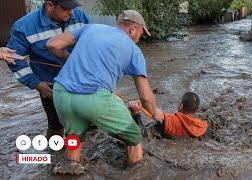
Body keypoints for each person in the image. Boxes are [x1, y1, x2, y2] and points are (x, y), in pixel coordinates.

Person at [47, 10, 163, 173]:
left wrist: (69, 60)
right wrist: (154, 112)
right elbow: (145, 97)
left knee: (74, 140)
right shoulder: (134, 50)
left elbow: (52, 44)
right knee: (135, 137)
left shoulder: (90, 28)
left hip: (61, 93)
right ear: (133, 29)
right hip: (93, 98)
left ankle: (68, 173)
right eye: (141, 34)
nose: (139, 39)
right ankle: (137, 175)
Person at [4, 0, 90, 138]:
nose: (71, 12)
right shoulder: (24, 26)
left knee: (90, 123)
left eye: (73, 8)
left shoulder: (80, 16)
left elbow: (92, 44)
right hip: (50, 85)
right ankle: (54, 156)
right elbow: (14, 59)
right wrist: (36, 84)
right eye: (66, 8)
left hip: (82, 80)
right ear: (50, 5)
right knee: (56, 126)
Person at [129, 92, 208, 139]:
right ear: (196, 110)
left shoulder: (169, 122)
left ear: (181, 106)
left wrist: (135, 113)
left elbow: (142, 135)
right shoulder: (202, 126)